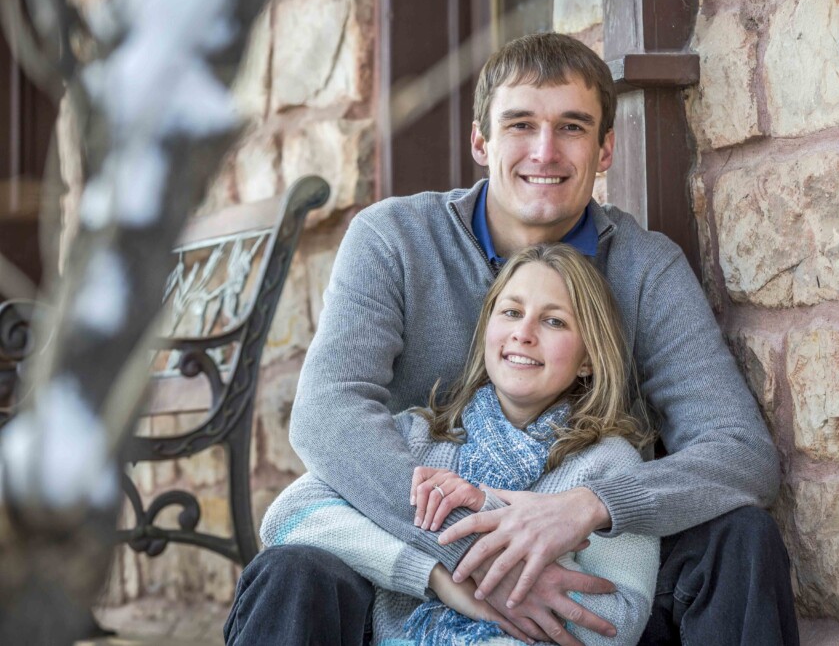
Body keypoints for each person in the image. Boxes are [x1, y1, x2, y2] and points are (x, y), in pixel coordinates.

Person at [225, 32, 798, 646]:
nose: (545, 151)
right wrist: (472, 557)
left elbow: (739, 451)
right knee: (291, 573)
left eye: (573, 128)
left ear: (605, 149)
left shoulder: (645, 267)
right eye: (520, 125)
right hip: (406, 560)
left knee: (741, 537)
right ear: (481, 141)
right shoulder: (394, 238)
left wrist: (587, 506)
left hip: (586, 567)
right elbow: (327, 415)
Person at [257, 244, 660, 645]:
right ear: (489, 329)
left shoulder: (609, 466)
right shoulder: (418, 436)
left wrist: (490, 516)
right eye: (512, 312)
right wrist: (437, 574)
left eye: (554, 321)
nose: (523, 332)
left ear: (588, 358)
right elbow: (288, 516)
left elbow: (617, 625)